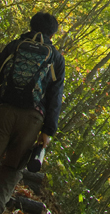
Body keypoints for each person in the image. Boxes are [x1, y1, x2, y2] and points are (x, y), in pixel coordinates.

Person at [0, 12, 65, 212]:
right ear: (52, 34)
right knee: (12, 168)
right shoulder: (56, 57)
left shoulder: (13, 47)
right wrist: (48, 131)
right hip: (32, 119)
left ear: (31, 25)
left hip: (4, 111)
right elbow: (55, 97)